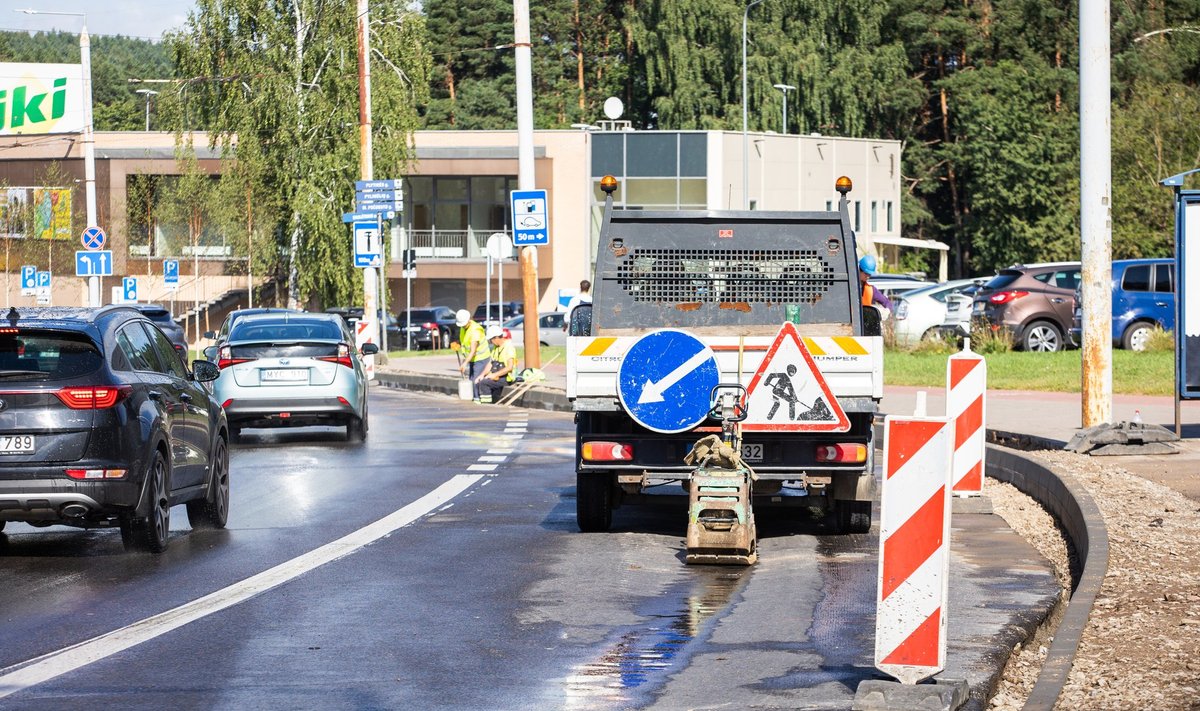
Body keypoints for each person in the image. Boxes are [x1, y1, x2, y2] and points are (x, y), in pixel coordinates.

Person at [455, 308, 491, 402]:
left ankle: (477, 400)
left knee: (476, 380)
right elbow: (465, 342)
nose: (462, 326)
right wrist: (457, 344)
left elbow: (473, 351)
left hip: (481, 358)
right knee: (471, 380)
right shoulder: (464, 328)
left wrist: (464, 363)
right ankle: (474, 399)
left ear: (469, 320)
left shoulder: (475, 330)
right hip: (472, 359)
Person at [476, 325, 517, 404]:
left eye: (491, 340)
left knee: (484, 383)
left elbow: (509, 367)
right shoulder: (496, 348)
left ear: (496, 338)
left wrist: (494, 375)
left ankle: (487, 405)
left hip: (507, 378)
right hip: (499, 376)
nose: (491, 342)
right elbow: (490, 364)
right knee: (481, 381)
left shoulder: (509, 347)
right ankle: (490, 401)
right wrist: (482, 375)